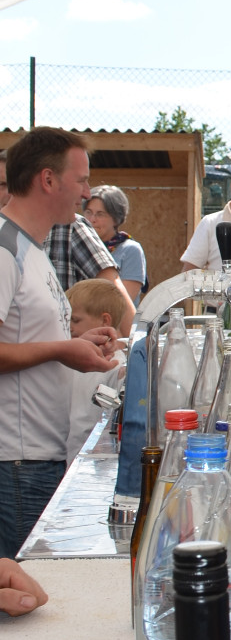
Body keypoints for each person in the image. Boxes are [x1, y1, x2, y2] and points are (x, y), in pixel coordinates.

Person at [0, 128, 122, 556]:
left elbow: (26, 337)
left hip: (38, 455)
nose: (87, 193)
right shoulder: (4, 248)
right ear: (48, 180)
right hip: (16, 460)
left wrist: (78, 344)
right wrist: (60, 349)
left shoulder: (34, 251)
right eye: (82, 180)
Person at [64, 278, 134, 462]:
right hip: (63, 458)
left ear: (105, 320)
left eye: (76, 320)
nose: (70, 326)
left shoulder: (116, 368)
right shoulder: (68, 359)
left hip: (92, 461)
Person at [82, 185, 147, 303]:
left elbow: (123, 304)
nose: (92, 219)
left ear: (116, 218)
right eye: (88, 212)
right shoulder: (79, 247)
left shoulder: (130, 250)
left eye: (100, 214)